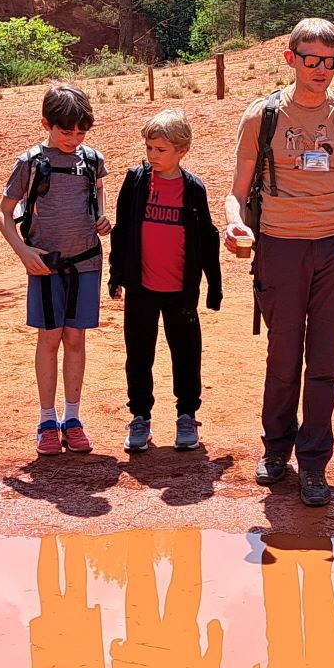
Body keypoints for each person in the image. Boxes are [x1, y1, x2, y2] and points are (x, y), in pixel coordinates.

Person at [223, 19, 334, 506]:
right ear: (290, 59)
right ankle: (276, 451)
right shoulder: (263, 116)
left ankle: (313, 464)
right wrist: (236, 225)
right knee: (283, 357)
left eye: (331, 62)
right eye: (312, 60)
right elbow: (235, 194)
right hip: (279, 247)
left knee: (325, 362)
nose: (322, 70)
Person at [0, 83, 110, 456]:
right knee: (49, 339)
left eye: (81, 132)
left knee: (76, 339)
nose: (73, 138)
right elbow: (3, 212)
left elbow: (99, 191)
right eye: (66, 131)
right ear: (46, 123)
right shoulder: (30, 162)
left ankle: (72, 419)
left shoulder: (91, 160)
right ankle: (47, 420)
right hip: (45, 267)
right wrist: (23, 251)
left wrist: (103, 216)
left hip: (87, 264)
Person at [108, 109, 223, 454]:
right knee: (138, 355)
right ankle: (140, 416)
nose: (153, 156)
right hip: (142, 288)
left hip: (180, 292)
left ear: (182, 150)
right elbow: (122, 229)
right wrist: (116, 275)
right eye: (149, 149)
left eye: (161, 150)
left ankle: (187, 415)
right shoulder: (136, 180)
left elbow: (207, 237)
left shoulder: (193, 188)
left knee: (186, 355)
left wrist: (213, 286)